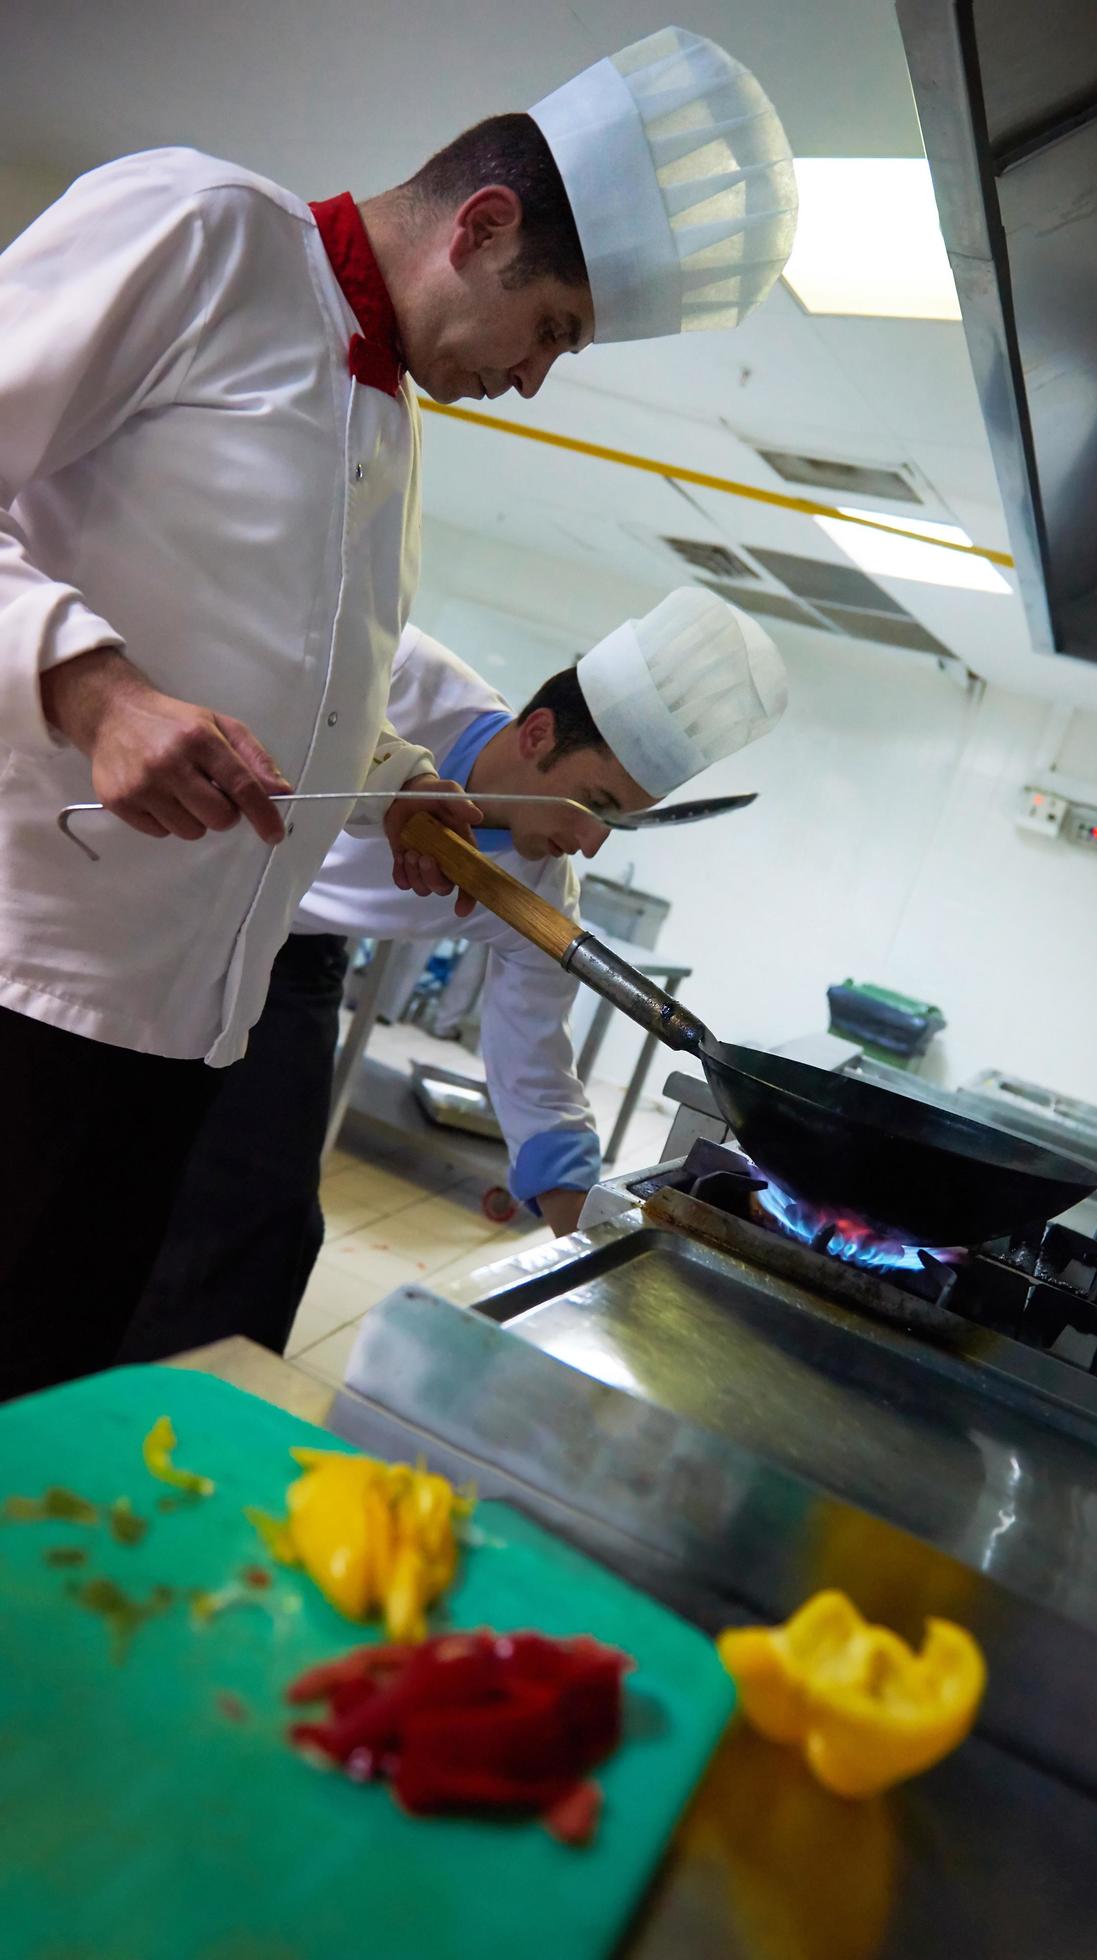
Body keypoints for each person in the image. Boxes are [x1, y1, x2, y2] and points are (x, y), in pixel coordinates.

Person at [0, 27, 798, 1395]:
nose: (539, 376)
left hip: (175, 1043)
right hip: (26, 992)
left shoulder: (388, 431)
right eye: (552, 329)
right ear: (484, 228)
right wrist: (91, 684)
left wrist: (391, 780)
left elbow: (292, 688)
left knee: (43, 1412)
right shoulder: (206, 234)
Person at [119, 588, 787, 1361]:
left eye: (617, 823)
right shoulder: (401, 673)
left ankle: (181, 1406)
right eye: (594, 805)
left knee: (266, 1220)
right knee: (118, 1144)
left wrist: (599, 1259)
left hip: (292, 956)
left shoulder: (538, 888)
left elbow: (535, 1070)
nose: (590, 844)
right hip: (179, 887)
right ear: (537, 735)